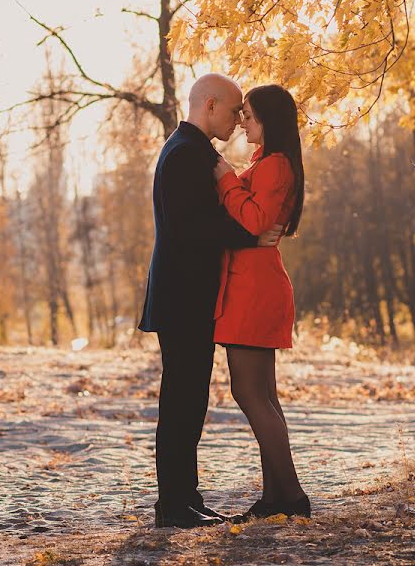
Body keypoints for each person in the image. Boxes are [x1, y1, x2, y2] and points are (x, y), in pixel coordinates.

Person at [138, 74, 284, 529]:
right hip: (182, 297)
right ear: (212, 104)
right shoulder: (185, 154)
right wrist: (252, 234)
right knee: (181, 401)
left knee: (190, 400)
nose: (240, 119)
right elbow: (191, 229)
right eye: (235, 109)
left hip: (191, 296)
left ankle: (185, 497)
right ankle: (174, 506)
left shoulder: (195, 150)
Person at [211, 84, 310, 520]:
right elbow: (255, 220)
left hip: (255, 288)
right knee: (263, 395)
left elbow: (254, 220)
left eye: (248, 115)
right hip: (255, 281)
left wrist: (224, 176)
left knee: (249, 392)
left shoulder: (274, 166)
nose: (242, 122)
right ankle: (275, 499)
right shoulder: (266, 163)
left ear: (268, 119)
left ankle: (291, 497)